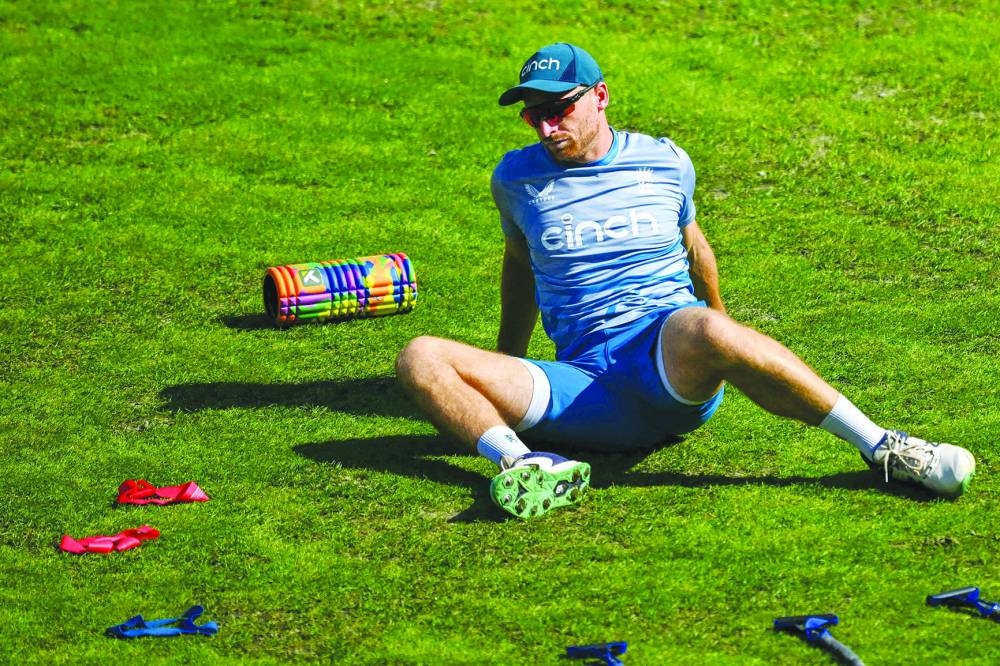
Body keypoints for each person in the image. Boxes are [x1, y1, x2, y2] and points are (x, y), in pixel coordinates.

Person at [394, 43, 976, 519]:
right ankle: (526, 466)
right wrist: (505, 361)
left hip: (667, 361)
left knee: (705, 328)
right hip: (582, 386)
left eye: (560, 110)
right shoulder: (515, 178)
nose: (546, 128)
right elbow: (520, 266)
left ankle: (884, 447)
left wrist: (724, 336)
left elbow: (696, 246)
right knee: (421, 356)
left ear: (600, 96)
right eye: (532, 115)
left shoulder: (665, 161)